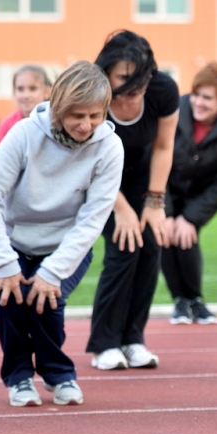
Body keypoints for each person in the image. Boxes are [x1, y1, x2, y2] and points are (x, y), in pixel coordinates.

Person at [0, 61, 122, 407]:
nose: (86, 125)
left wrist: (53, 272)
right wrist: (5, 263)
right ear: (58, 108)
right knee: (7, 299)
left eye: (95, 116)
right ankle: (20, 376)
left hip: (64, 244)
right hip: (8, 239)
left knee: (46, 303)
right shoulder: (25, 134)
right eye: (77, 116)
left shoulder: (109, 148)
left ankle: (58, 375)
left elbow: (93, 218)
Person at [86, 30, 179, 370]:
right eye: (124, 77)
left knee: (151, 245)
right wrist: (122, 211)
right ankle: (104, 344)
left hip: (141, 177)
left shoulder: (163, 90)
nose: (134, 86)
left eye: (141, 76)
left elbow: (164, 146)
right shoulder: (92, 94)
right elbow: (90, 164)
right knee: (124, 248)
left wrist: (155, 203)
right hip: (96, 178)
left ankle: (133, 339)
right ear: (107, 73)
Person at [162, 62, 217, 325]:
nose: (198, 102)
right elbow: (155, 157)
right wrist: (164, 211)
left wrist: (190, 216)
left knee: (186, 236)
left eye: (207, 98)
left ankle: (196, 301)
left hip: (198, 196)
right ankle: (179, 301)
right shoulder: (174, 111)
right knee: (164, 235)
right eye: (197, 94)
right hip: (163, 187)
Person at [0, 65, 52, 144]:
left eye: (33, 88)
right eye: (20, 89)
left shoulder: (54, 122)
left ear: (47, 92)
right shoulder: (7, 126)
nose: (26, 95)